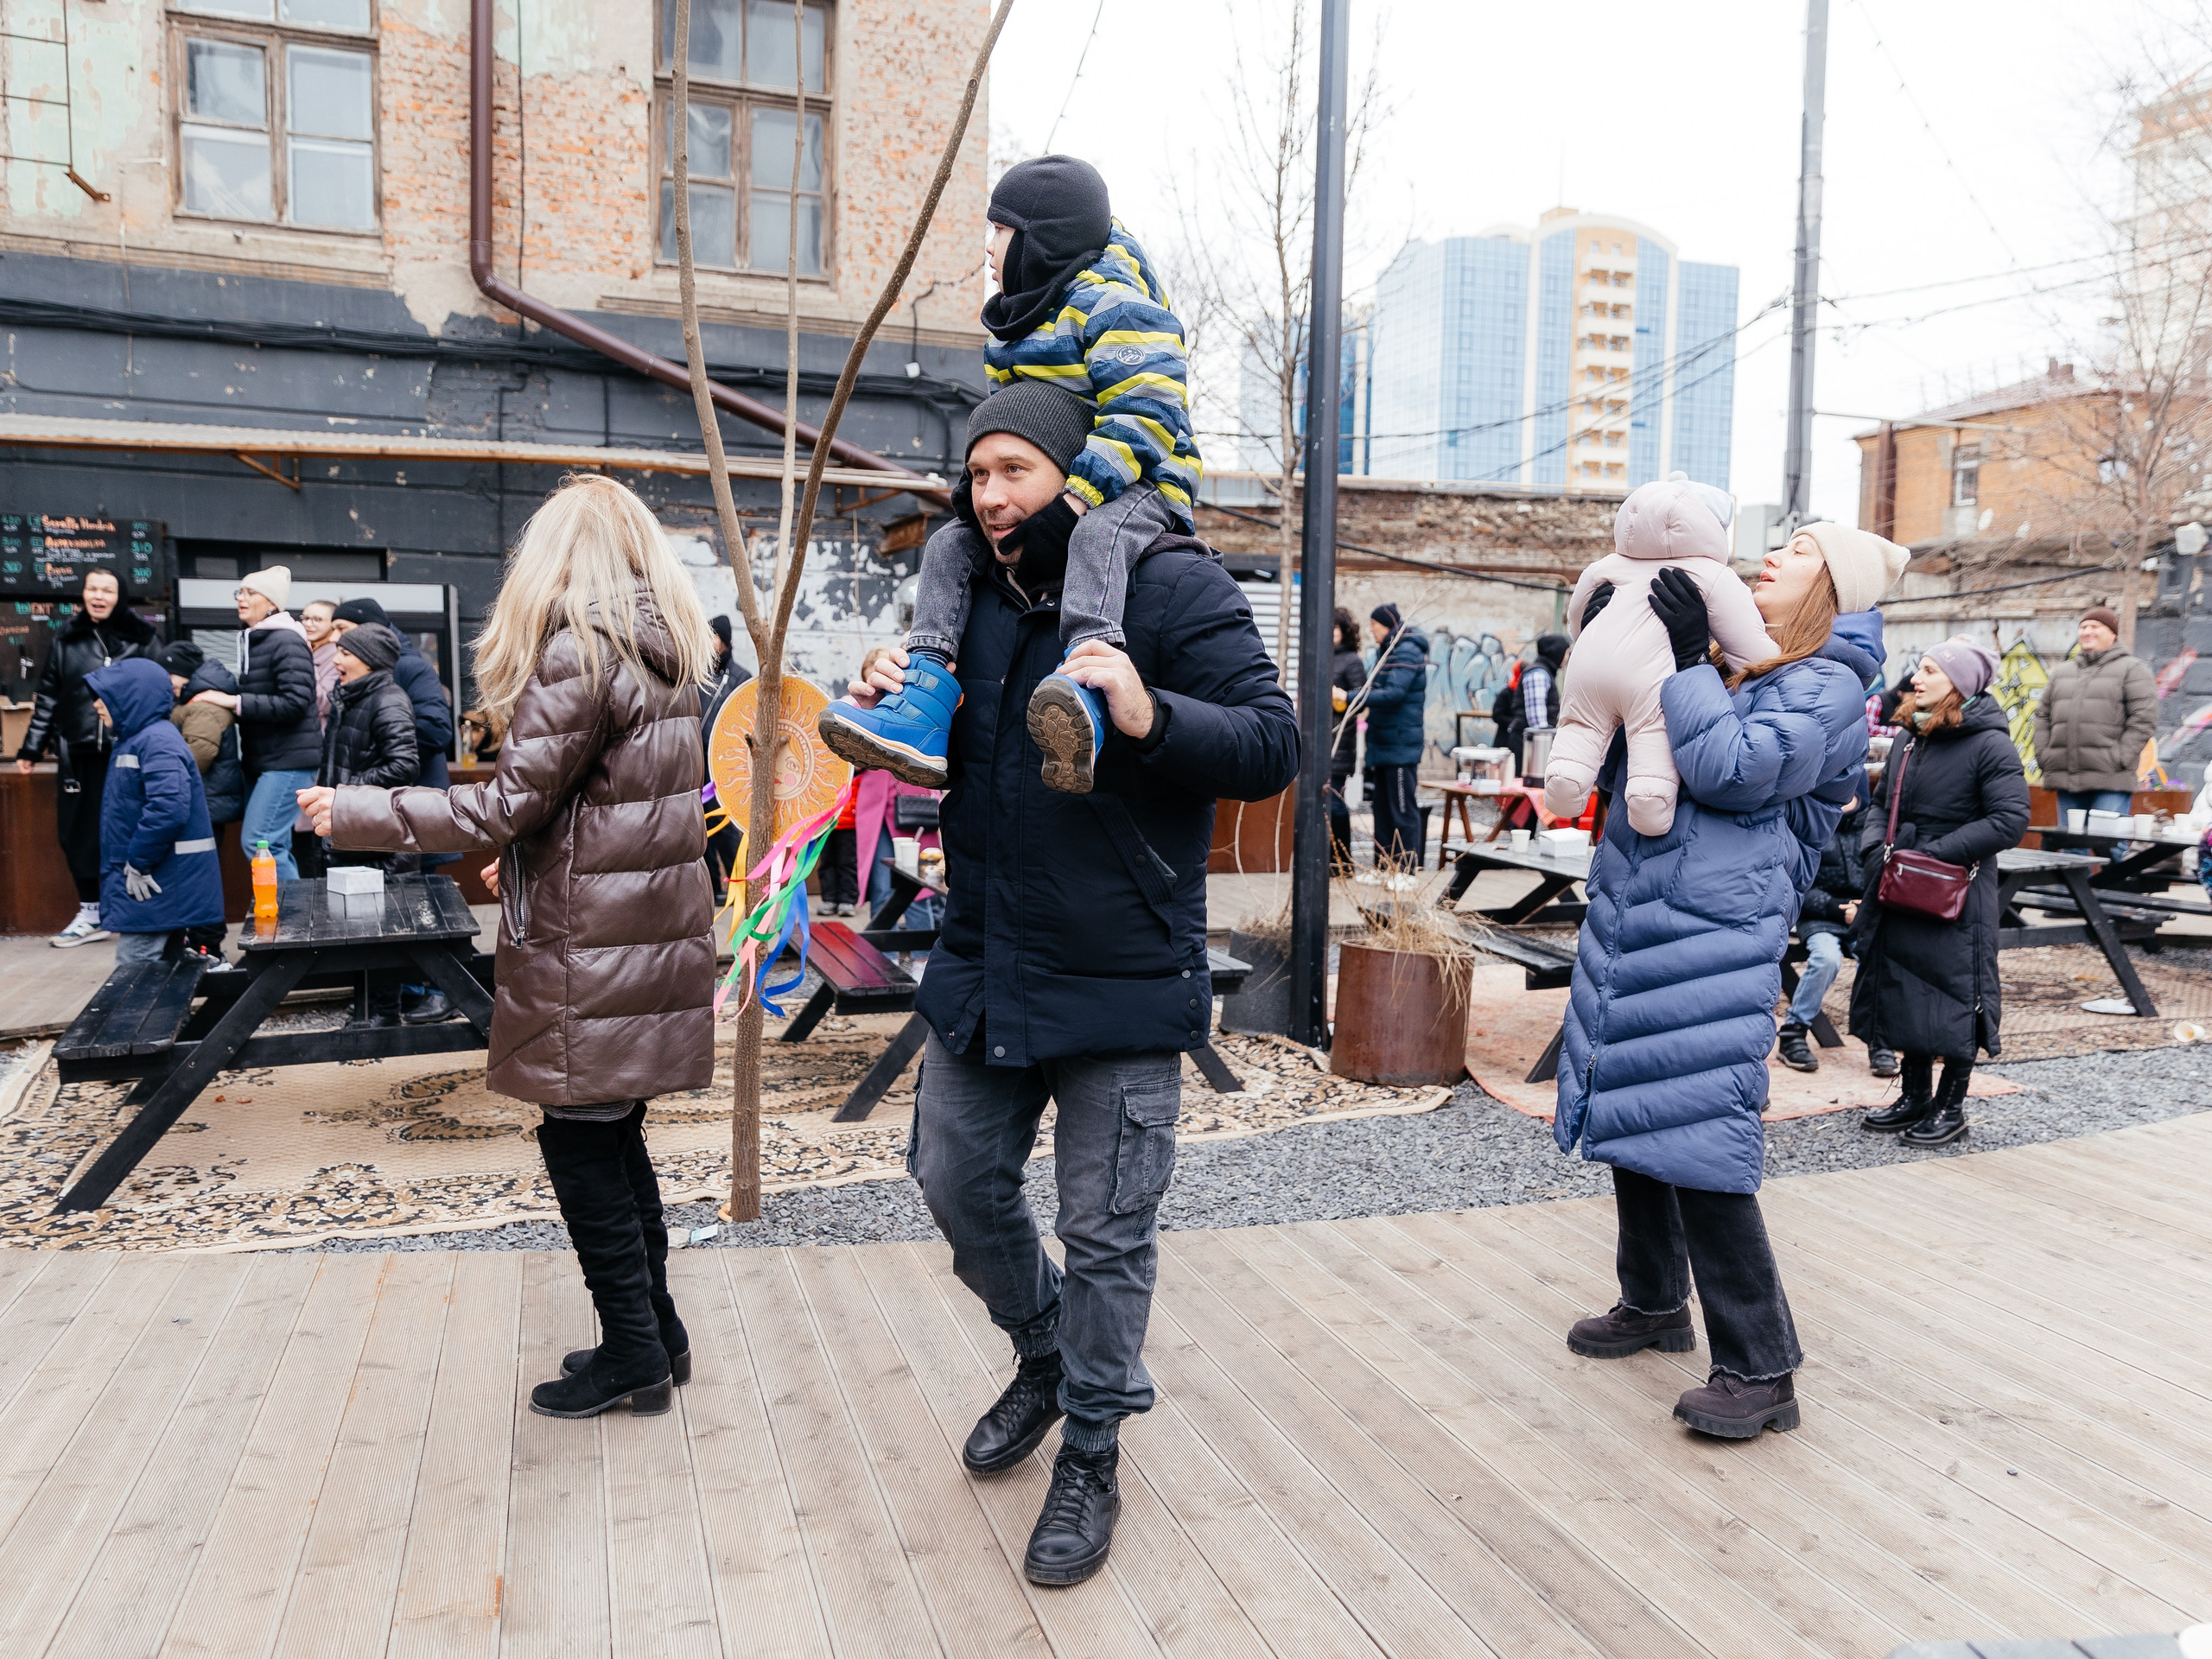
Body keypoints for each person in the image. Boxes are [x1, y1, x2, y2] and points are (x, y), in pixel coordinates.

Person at [843, 385, 1296, 1586]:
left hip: (1124, 964)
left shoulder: (1172, 584)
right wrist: (895, 678)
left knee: (1106, 1232)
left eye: (1016, 473)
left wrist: (1149, 715)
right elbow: (934, 749)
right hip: (987, 957)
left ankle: (1091, 1447)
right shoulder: (971, 597)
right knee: (951, 1179)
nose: (992, 496)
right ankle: (1043, 1353)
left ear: (1071, 475)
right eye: (977, 474)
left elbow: (1271, 741)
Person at [301, 474, 717, 1420]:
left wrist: (355, 812)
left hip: (590, 949)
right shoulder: (669, 652)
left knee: (582, 1148)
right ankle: (656, 1336)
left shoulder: (581, 650)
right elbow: (606, 808)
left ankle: (634, 1359)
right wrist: (535, 864)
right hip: (639, 936)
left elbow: (505, 804)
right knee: (615, 1138)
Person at [1557, 518, 1904, 1440]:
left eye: (1797, 550)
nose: (1771, 555)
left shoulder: (1827, 681)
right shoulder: (1741, 661)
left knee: (1700, 1134)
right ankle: (1653, 1301)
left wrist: (1680, 662)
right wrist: (1612, 634)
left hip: (1716, 926)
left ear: (1834, 585)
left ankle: (1761, 1368)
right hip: (1646, 908)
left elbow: (1735, 770)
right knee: (1637, 1110)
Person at [820, 155, 1203, 798]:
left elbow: (1148, 413)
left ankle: (1084, 690)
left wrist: (1075, 503)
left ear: (1041, 238)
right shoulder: (1016, 318)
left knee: (1094, 539)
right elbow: (1008, 423)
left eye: (1000, 231)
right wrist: (980, 488)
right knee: (947, 543)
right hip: (1061, 487)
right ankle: (924, 697)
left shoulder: (1115, 305)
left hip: (1143, 483)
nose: (989, 248)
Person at [1850, 638, 2029, 1147]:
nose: (1917, 679)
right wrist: (1873, 850)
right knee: (1907, 991)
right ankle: (1914, 1097)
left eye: (1930, 670)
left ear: (1961, 683)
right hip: (1901, 882)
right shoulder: (1912, 736)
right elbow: (1881, 804)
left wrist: (1936, 854)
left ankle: (1952, 1107)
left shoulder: (1990, 743)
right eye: (1919, 669)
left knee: (1955, 996)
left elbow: (2009, 819)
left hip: (1957, 890)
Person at [1547, 474, 1778, 834]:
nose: (1771, 561)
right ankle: (1649, 801)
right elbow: (1757, 657)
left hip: (1587, 676)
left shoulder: (1608, 566)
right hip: (1647, 697)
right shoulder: (1714, 577)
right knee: (1652, 732)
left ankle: (1564, 780)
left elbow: (1575, 611)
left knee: (1581, 728)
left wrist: (1584, 630)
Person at [14, 567, 158, 947]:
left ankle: (133, 912)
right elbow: (47, 696)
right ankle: (92, 914)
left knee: (128, 830)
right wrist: (31, 748)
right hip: (76, 753)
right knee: (77, 833)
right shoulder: (67, 637)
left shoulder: (142, 637)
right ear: (83, 594)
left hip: (126, 752)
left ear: (120, 595)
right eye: (92, 588)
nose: (98, 596)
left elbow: (160, 693)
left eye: (107, 589)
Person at [332, 594, 459, 1020]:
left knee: (423, 908)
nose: (335, 644)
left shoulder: (408, 669)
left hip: (416, 808)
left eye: (342, 633)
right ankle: (399, 992)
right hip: (381, 812)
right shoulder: (353, 682)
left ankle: (440, 990)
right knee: (389, 912)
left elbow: (437, 730)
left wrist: (384, 731)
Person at [83, 658, 225, 965]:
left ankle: (135, 1018)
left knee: (135, 970)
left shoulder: (155, 741)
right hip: (164, 880)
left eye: (105, 697)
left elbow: (168, 809)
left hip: (158, 880)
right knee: (168, 969)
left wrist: (139, 862)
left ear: (130, 698)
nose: (96, 704)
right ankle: (172, 1017)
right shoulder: (140, 739)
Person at [188, 567, 319, 881]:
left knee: (262, 841)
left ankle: (293, 920)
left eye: (250, 593)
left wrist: (232, 701)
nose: (241, 599)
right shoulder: (256, 640)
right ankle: (286, 916)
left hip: (289, 761)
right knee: (274, 842)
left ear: (271, 603)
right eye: (240, 592)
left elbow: (296, 702)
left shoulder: (286, 641)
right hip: (267, 760)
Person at [159, 641, 245, 962]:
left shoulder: (204, 707)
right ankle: (199, 944)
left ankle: (208, 947)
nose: (166, 681)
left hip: (204, 808)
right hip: (204, 805)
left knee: (199, 879)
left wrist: (165, 784)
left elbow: (199, 753)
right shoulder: (195, 701)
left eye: (169, 673)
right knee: (195, 877)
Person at [2033, 605, 2156, 830]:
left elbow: (2144, 720)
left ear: (2113, 633)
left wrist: (2119, 757)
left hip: (2111, 779)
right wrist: (2044, 755)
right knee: (2072, 850)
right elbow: (2042, 716)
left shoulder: (2133, 669)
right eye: (2083, 627)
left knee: (2109, 847)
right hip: (2067, 778)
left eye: (2095, 626)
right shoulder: (2062, 672)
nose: (2087, 631)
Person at [1361, 603, 1429, 876]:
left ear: (1387, 625)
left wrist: (1351, 697)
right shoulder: (1389, 650)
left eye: (1374, 625)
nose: (1371, 630)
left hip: (1400, 746)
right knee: (1382, 810)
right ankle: (1383, 868)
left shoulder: (1407, 650)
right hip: (1383, 743)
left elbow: (1393, 694)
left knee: (1402, 810)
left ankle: (1406, 872)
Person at [1328, 607, 1367, 868]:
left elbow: (1361, 699)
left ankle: (1343, 862)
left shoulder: (1352, 661)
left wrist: (1338, 698)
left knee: (1335, 801)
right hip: (1316, 740)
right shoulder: (1318, 657)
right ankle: (1325, 858)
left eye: (1335, 628)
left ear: (1344, 632)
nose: (1331, 633)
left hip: (1340, 742)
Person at [302, 598, 341, 722]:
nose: (308, 624)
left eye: (317, 619)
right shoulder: (305, 648)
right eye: (305, 618)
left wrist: (304, 659)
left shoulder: (337, 656)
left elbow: (325, 702)